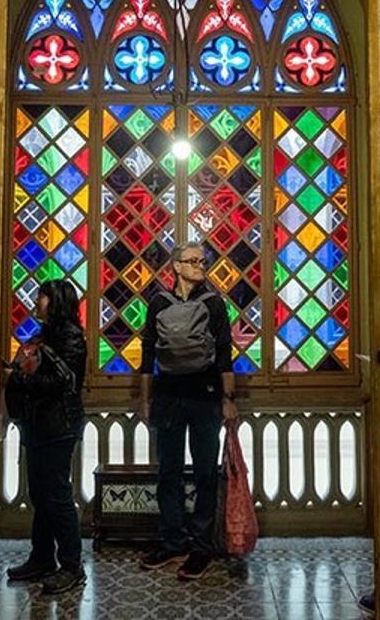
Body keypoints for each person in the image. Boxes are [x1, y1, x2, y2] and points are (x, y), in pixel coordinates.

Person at [137, 241, 239, 580]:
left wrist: (228, 398)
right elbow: (148, 353)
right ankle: (172, 540)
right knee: (168, 470)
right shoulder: (157, 303)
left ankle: (201, 546)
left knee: (205, 472)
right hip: (167, 397)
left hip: (206, 396)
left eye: (203, 260)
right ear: (176, 267)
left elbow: (224, 353)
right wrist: (145, 400)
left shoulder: (214, 305)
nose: (200, 265)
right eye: (192, 261)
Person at [4, 279, 87, 594]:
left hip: (58, 425)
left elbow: (61, 383)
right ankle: (41, 558)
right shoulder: (42, 336)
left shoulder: (72, 339)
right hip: (37, 424)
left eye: (42, 297)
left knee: (57, 495)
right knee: (39, 495)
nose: (36, 301)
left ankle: (71, 566)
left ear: (58, 302)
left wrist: (19, 378)